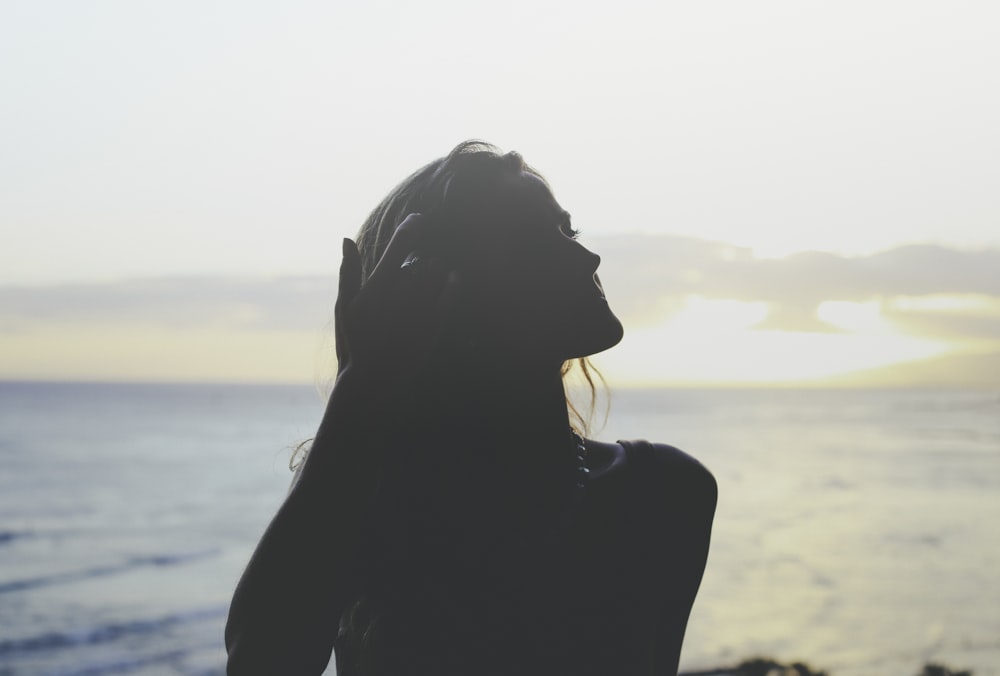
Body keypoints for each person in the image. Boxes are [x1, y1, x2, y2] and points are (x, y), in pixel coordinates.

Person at [225, 141, 717, 676]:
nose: (587, 257)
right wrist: (362, 383)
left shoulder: (667, 490)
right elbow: (261, 662)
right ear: (448, 290)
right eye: (533, 242)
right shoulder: (379, 500)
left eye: (568, 231)